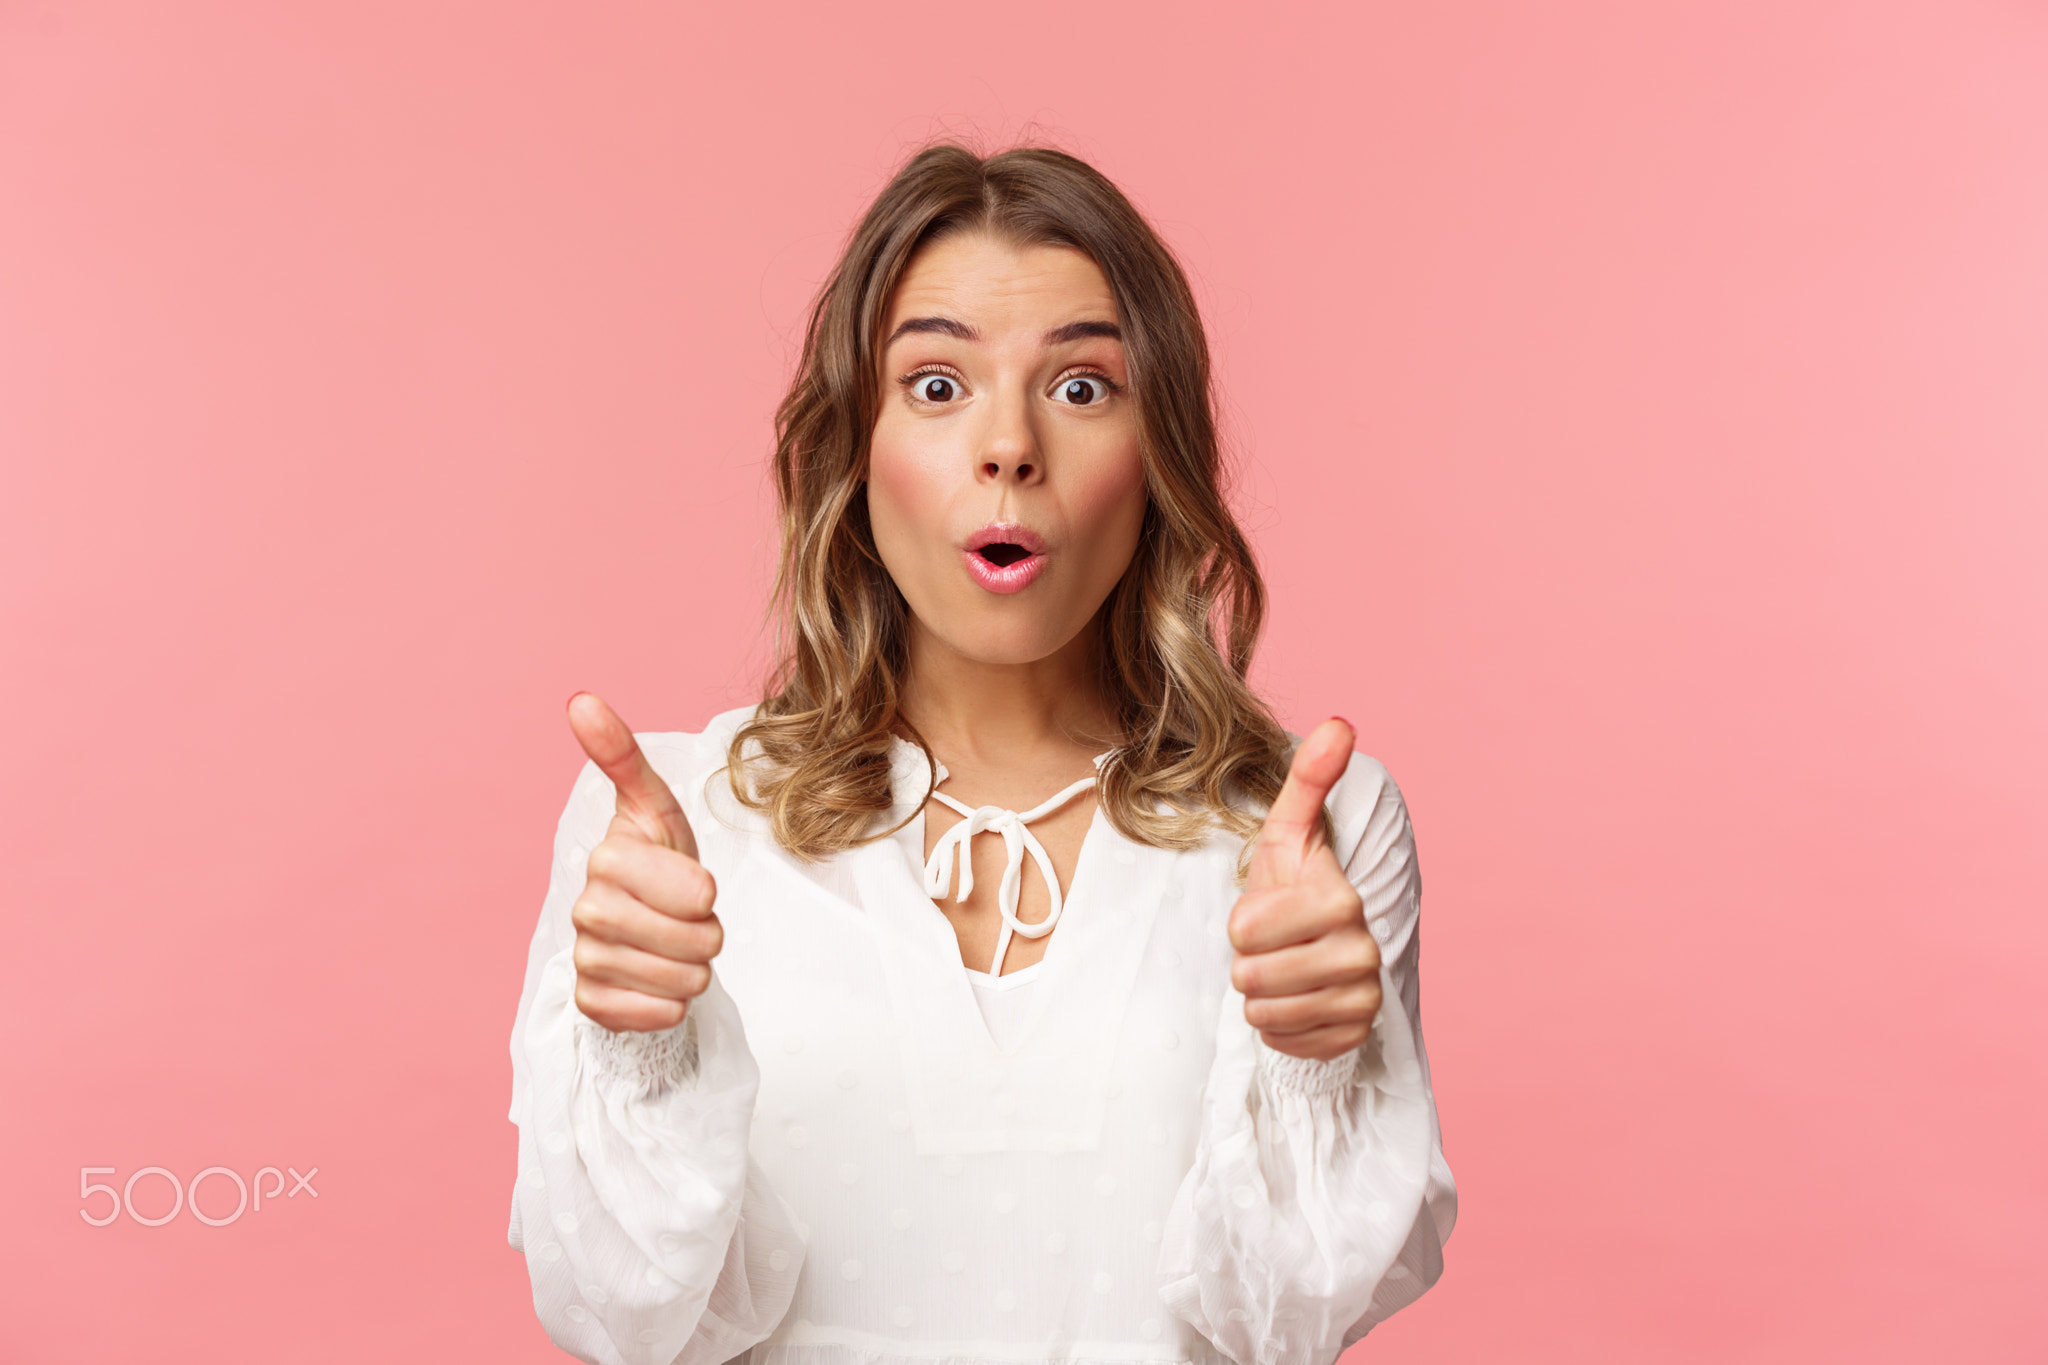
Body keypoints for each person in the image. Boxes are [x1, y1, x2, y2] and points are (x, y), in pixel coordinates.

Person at [506, 143, 1456, 1365]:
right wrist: (639, 1050)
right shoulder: (666, 827)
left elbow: (1292, 1323)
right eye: (938, 385)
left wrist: (1315, 1065)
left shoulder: (1304, 836)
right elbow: (619, 1321)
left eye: (1079, 388)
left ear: (1155, 454)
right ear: (853, 451)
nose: (1008, 447)